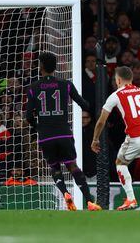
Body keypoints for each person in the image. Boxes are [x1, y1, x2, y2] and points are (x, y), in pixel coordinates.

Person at [26, 52, 101, 211]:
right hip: (63, 132)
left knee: (55, 167)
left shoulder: (33, 88)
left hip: (46, 135)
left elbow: (28, 116)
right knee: (73, 166)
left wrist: (38, 127)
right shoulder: (65, 84)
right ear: (55, 67)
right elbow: (84, 105)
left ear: (41, 67)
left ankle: (65, 193)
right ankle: (89, 201)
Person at [92, 66, 140, 210]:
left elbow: (102, 121)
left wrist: (95, 139)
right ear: (131, 78)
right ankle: (130, 199)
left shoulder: (116, 95)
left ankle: (131, 199)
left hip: (137, 137)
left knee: (120, 163)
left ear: (118, 80)